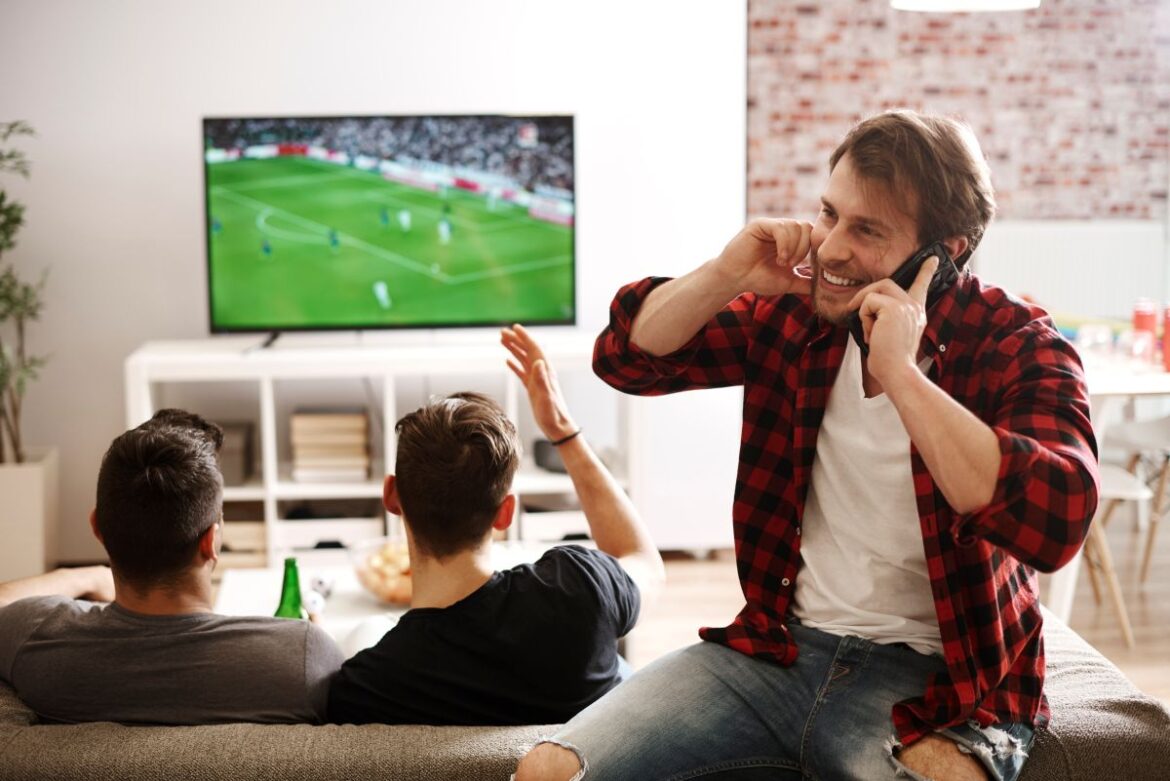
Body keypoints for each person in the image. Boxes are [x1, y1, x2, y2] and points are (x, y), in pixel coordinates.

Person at [517, 110, 1099, 781]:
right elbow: (626, 358)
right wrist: (727, 274)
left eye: (866, 231)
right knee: (547, 771)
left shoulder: (1017, 340)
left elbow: (1057, 520)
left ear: (948, 252)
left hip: (943, 683)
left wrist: (903, 375)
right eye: (830, 214)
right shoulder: (797, 312)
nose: (829, 248)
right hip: (777, 653)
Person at [327, 325, 664, 726]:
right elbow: (643, 561)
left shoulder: (367, 685)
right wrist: (563, 433)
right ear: (506, 513)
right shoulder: (579, 594)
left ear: (392, 497)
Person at [0, 409, 345, 725]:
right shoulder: (302, 656)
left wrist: (80, 575)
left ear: (97, 528)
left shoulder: (33, 638)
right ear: (212, 540)